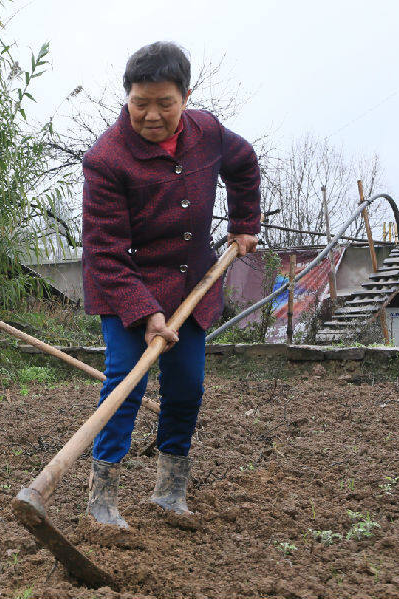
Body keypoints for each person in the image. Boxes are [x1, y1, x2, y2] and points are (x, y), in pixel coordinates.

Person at [81, 42, 260, 526]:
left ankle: (169, 490)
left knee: (186, 385)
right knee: (126, 383)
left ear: (184, 96)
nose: (152, 115)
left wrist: (244, 221)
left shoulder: (208, 132)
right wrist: (145, 312)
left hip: (191, 287)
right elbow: (105, 250)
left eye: (165, 103)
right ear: (127, 97)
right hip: (125, 287)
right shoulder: (106, 160)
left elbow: (243, 164)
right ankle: (102, 499)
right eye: (141, 103)